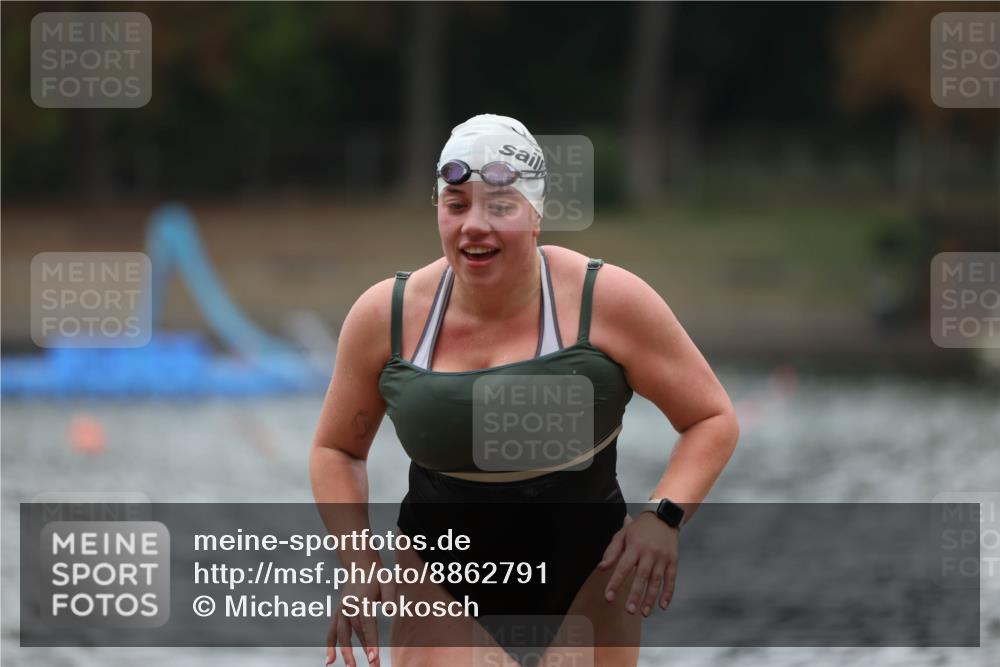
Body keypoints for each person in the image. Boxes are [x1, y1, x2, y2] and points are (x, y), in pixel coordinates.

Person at [310, 114, 740, 667]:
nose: (474, 225)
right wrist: (359, 563)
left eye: (500, 206)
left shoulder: (606, 300)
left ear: (536, 213)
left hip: (591, 576)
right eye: (456, 204)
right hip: (440, 581)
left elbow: (710, 418)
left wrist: (664, 517)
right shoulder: (386, 317)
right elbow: (337, 450)